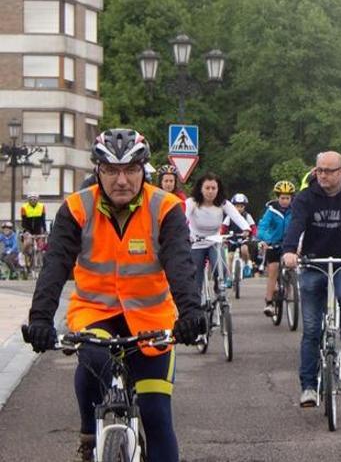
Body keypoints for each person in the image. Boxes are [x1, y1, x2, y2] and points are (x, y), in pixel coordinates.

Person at [24, 129, 204, 462]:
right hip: (94, 312)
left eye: (130, 170)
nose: (121, 180)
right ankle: (89, 432)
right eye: (111, 170)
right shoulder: (77, 207)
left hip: (152, 320)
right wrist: (39, 319)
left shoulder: (164, 207)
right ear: (98, 172)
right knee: (93, 356)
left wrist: (191, 312)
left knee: (156, 415)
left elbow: (180, 263)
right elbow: (54, 265)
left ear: (144, 170)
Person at [281, 151, 341, 407]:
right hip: (313, 262)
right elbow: (296, 225)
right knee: (312, 330)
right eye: (319, 170)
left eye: (328, 170)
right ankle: (309, 388)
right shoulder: (305, 197)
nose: (322, 175)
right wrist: (289, 251)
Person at [185, 173, 251, 304]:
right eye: (207, 188)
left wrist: (246, 228)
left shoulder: (223, 203)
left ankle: (218, 287)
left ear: (218, 189)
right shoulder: (192, 202)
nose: (210, 192)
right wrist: (186, 234)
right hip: (196, 243)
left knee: (220, 267)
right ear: (200, 189)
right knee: (195, 278)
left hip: (214, 241)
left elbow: (236, 216)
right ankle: (196, 307)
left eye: (213, 188)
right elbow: (183, 217)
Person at [256, 180, 295, 316]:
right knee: (273, 270)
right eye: (282, 198)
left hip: (289, 244)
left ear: (291, 198)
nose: (285, 201)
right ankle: (269, 302)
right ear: (277, 198)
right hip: (273, 243)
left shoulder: (295, 210)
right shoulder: (271, 211)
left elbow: (300, 226)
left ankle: (291, 290)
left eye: (287, 198)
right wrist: (265, 239)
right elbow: (263, 226)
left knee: (291, 265)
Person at [222, 193, 257, 280]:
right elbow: (223, 227)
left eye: (241, 206)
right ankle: (229, 278)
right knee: (229, 257)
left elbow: (253, 227)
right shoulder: (230, 217)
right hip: (232, 238)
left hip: (244, 238)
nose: (239, 208)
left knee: (244, 250)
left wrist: (253, 235)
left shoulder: (247, 216)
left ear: (244, 207)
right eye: (237, 206)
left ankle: (246, 265)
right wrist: (223, 236)